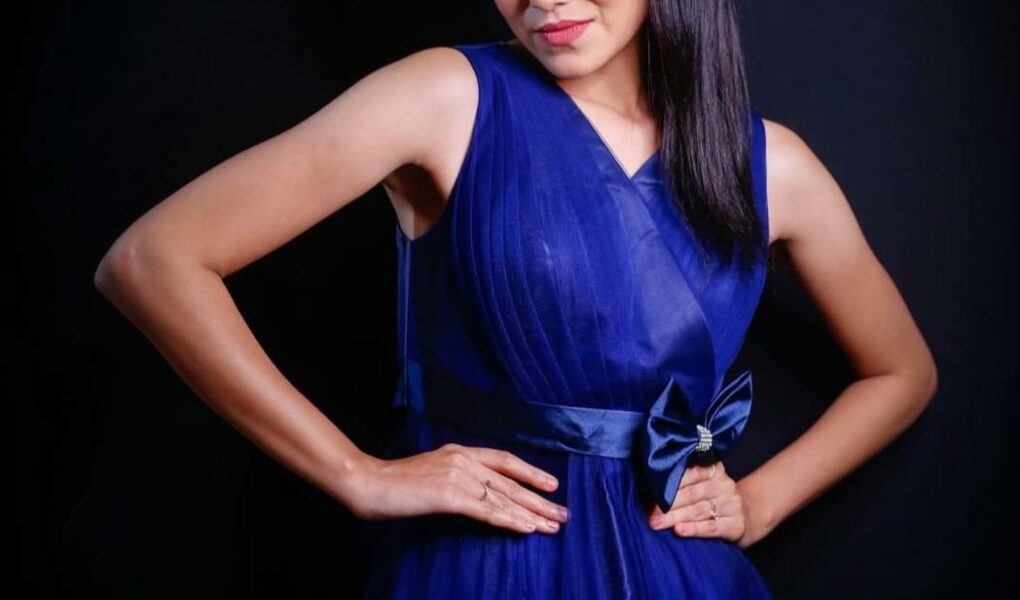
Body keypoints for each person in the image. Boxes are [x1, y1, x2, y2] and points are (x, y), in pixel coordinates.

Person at [94, 0, 938, 597]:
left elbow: (902, 373)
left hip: (680, 569)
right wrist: (355, 474)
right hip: (484, 563)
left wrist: (758, 502)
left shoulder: (771, 165)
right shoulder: (444, 97)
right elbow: (152, 260)